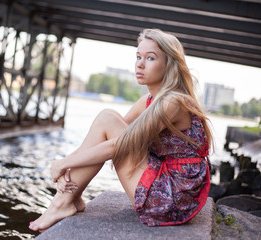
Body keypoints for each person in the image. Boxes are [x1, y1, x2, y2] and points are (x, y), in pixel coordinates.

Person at [29, 28, 213, 231]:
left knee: (109, 120)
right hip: (168, 183)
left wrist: (64, 163)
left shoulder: (173, 102)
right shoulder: (151, 100)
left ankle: (60, 204)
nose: (140, 64)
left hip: (172, 198)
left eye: (150, 58)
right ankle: (73, 196)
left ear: (169, 65)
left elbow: (119, 144)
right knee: (107, 117)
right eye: (138, 56)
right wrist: (65, 167)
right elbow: (104, 136)